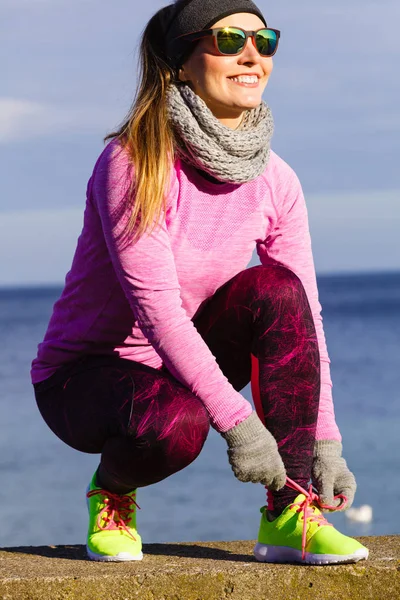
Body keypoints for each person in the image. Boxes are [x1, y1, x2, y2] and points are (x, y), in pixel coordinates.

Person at [31, 0, 369, 565]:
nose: (252, 57)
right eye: (229, 41)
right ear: (180, 63)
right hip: (83, 378)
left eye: (265, 43)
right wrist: (240, 424)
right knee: (176, 428)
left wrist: (324, 442)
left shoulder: (278, 181)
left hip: (180, 366)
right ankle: (112, 492)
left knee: (277, 289)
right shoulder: (134, 160)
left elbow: (305, 317)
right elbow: (157, 311)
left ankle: (290, 514)